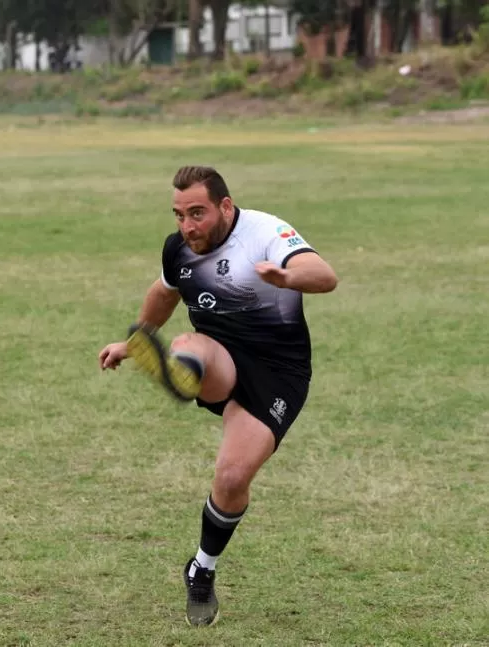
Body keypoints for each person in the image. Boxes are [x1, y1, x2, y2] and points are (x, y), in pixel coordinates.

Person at [98, 165, 338, 627]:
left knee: (231, 478)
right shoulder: (180, 250)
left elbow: (323, 275)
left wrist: (288, 278)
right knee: (191, 346)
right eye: (179, 215)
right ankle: (180, 373)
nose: (188, 226)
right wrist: (134, 342)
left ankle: (201, 569)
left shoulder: (265, 232)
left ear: (225, 206)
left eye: (197, 213)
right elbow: (165, 292)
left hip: (277, 371)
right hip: (219, 357)